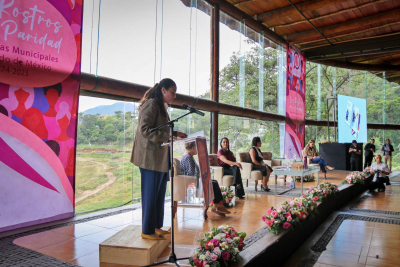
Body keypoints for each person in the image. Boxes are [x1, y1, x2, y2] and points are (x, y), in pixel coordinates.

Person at [131, 78, 187, 240]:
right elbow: (145, 130)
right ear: (163, 90)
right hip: (150, 159)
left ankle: (156, 226)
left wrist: (176, 134)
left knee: (159, 194)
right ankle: (147, 230)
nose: (174, 96)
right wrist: (168, 137)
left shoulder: (161, 107)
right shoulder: (151, 104)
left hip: (160, 158)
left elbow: (162, 128)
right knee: (150, 194)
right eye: (173, 92)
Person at [180, 141, 230, 217]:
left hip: (194, 180)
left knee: (214, 182)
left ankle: (217, 205)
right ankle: (217, 205)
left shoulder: (188, 156)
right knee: (213, 183)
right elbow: (192, 173)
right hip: (192, 183)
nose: (198, 150)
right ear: (193, 148)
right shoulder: (188, 157)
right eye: (197, 148)